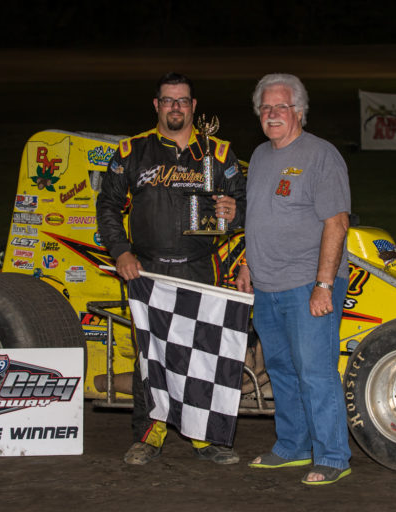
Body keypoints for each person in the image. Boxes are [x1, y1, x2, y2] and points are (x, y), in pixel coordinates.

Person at [96, 72, 246, 466]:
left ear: (194, 107)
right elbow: (107, 206)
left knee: (202, 354)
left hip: (200, 268)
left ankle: (204, 436)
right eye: (168, 100)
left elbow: (245, 205)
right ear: (156, 105)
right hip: (146, 270)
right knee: (151, 354)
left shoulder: (220, 152)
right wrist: (120, 252)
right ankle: (149, 435)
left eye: (182, 100)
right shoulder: (133, 151)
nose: (175, 106)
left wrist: (235, 211)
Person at [236, 73, 352, 485]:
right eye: (265, 108)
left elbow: (336, 223)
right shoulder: (261, 156)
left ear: (298, 111)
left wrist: (323, 285)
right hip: (266, 286)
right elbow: (259, 219)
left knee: (316, 372)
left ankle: (334, 456)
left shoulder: (321, 155)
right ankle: (292, 447)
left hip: (308, 285)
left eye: (280, 107)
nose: (272, 114)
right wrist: (248, 264)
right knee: (282, 371)